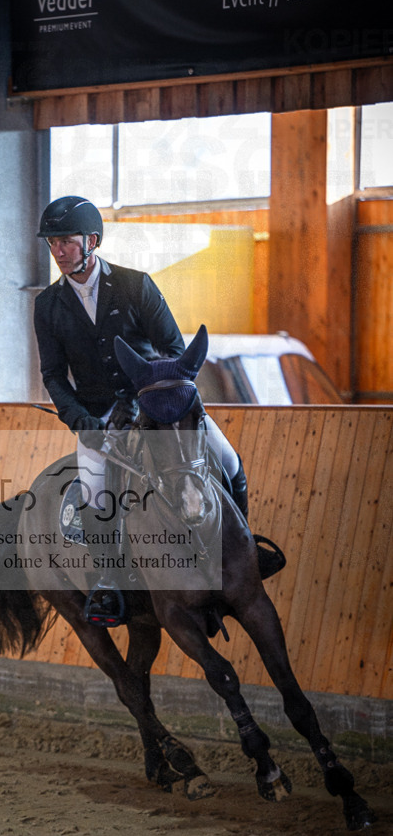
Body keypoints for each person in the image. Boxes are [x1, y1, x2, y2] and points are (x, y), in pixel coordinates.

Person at [33, 195, 270, 626]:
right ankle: (108, 581)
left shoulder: (135, 285)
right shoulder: (48, 304)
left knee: (229, 460)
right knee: (94, 488)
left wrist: (140, 400)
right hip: (98, 416)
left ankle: (245, 551)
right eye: (52, 243)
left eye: (66, 241)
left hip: (159, 406)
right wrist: (79, 419)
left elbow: (174, 349)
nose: (58, 252)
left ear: (92, 241)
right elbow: (52, 374)